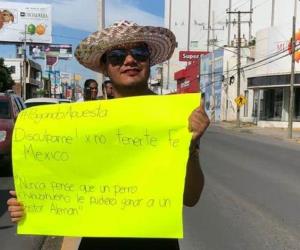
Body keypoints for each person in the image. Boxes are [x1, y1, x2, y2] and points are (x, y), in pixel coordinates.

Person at [7, 20, 210, 250]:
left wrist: (192, 146)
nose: (130, 60)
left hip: (157, 242)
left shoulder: (174, 117)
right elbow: (65, 183)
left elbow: (191, 198)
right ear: (105, 67)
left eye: (139, 52)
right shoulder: (84, 125)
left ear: (149, 60)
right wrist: (29, 206)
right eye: (116, 56)